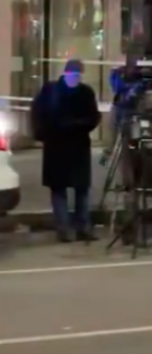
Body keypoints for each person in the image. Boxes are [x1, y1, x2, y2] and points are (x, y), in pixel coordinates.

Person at [104, 67, 152, 243]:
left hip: (143, 148)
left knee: (136, 189)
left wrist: (109, 150)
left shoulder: (124, 99)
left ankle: (134, 232)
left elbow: (113, 127)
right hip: (148, 148)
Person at [31, 60, 102, 242]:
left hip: (71, 147)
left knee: (77, 190)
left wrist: (74, 125)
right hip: (61, 147)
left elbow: (93, 117)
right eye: (73, 75)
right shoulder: (53, 91)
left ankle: (78, 228)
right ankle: (68, 228)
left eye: (77, 75)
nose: (75, 78)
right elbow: (39, 115)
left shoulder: (79, 92)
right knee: (63, 189)